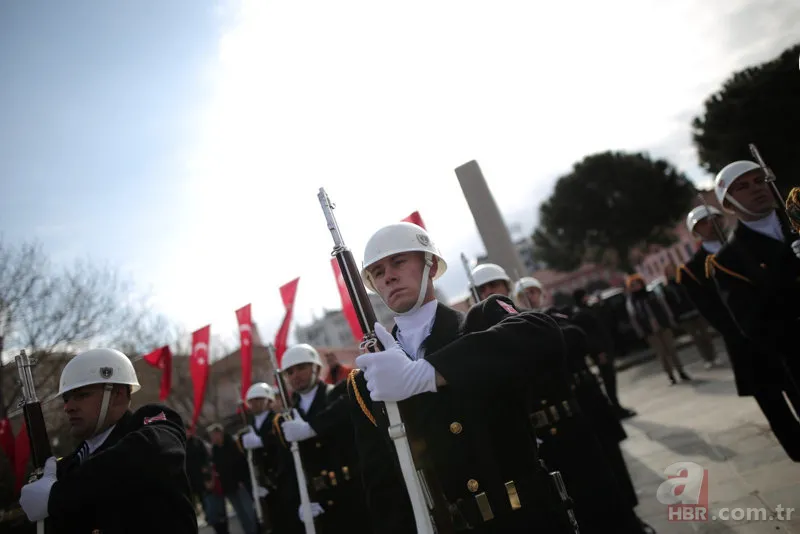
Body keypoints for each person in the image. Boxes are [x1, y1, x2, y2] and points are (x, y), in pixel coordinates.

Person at [348, 222, 578, 534]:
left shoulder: (481, 320)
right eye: (376, 272)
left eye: (398, 262)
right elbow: (383, 484)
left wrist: (428, 372)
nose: (388, 276)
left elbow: (544, 335)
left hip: (528, 519)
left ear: (429, 264)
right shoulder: (373, 377)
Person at [18, 347, 198, 533]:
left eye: (82, 395)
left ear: (117, 395)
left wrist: (57, 495)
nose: (68, 407)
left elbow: (149, 452)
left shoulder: (152, 423)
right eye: (66, 399)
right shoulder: (68, 467)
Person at [706, 160, 800, 461]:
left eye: (759, 180)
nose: (755, 189)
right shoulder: (729, 260)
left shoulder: (796, 222)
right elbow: (755, 326)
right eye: (742, 187)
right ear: (728, 203)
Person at [275, 343, 371, 533]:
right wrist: (302, 501)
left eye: (302, 368)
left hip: (353, 492)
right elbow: (289, 467)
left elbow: (346, 408)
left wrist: (311, 427)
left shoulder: (339, 392)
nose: (296, 375)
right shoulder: (288, 417)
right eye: (290, 372)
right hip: (319, 502)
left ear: (316, 368)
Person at [239, 382, 301, 533]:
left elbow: (282, 443)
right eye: (252, 401)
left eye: (259, 399)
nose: (255, 404)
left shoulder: (278, 418)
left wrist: (261, 442)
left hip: (282, 482)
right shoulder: (251, 425)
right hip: (264, 485)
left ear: (269, 401)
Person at [571, 287, 637, 419]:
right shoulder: (582, 314)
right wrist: (599, 352)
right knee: (608, 380)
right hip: (600, 352)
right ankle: (615, 407)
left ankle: (616, 406)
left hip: (604, 350)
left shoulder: (586, 311)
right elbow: (592, 336)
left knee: (610, 379)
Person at [624, 274, 690, 385]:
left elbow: (664, 306)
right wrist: (641, 331)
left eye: (637, 284)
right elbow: (633, 317)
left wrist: (670, 319)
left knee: (671, 350)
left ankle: (681, 371)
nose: (636, 287)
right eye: (633, 285)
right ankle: (670, 376)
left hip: (662, 325)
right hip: (649, 331)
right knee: (662, 353)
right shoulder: (632, 301)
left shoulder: (652, 294)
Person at [662, 263, 718, 368]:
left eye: (672, 270)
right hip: (683, 316)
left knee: (705, 334)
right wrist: (675, 317)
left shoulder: (684, 280)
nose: (671, 273)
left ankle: (713, 356)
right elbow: (670, 304)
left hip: (695, 311)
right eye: (669, 271)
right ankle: (706, 359)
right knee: (696, 338)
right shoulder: (667, 288)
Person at [208, 424, 260, 534]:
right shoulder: (215, 449)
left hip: (240, 483)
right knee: (240, 513)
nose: (212, 438)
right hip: (228, 486)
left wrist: (241, 479)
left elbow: (241, 462)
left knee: (249, 510)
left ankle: (257, 530)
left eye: (213, 435)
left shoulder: (233, 444)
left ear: (219, 433)